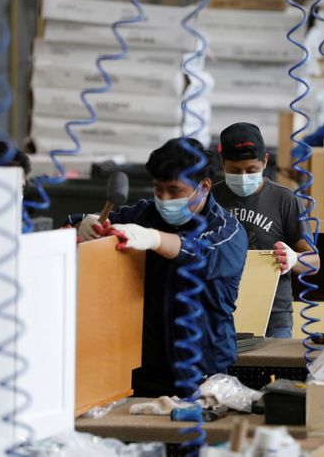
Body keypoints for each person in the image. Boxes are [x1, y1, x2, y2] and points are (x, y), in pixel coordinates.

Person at [75, 138, 248, 397]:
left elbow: (198, 253)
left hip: (202, 372)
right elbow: (80, 226)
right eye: (158, 189)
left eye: (174, 190)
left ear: (204, 186)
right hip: (141, 365)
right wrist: (84, 225)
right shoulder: (144, 214)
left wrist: (153, 239)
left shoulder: (228, 232)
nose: (164, 199)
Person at [213, 122, 319, 339]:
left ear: (265, 162)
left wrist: (294, 259)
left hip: (274, 317)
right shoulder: (210, 199)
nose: (243, 177)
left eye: (252, 170)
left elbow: (314, 262)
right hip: (220, 313)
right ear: (222, 163)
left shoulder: (284, 200)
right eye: (234, 171)